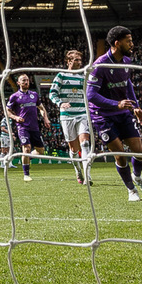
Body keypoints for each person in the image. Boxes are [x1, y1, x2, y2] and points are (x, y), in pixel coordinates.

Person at [88, 26, 142, 202]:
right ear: (117, 43)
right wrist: (116, 104)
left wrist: (135, 107)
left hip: (122, 112)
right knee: (120, 154)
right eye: (128, 41)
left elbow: (128, 84)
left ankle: (137, 177)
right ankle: (131, 189)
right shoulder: (100, 65)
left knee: (140, 152)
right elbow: (91, 95)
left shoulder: (126, 61)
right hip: (103, 115)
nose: (132, 44)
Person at [49, 49, 92, 184]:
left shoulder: (83, 76)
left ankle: (87, 175)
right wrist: (60, 103)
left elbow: (89, 93)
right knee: (74, 149)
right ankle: (78, 170)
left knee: (85, 143)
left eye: (80, 60)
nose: (79, 63)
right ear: (68, 61)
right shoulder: (61, 75)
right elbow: (52, 93)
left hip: (82, 113)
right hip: (67, 116)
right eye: (76, 60)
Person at [6, 73, 49, 181]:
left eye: (27, 80)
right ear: (18, 83)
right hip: (22, 127)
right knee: (26, 148)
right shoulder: (14, 96)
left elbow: (41, 108)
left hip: (34, 127)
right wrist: (15, 117)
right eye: (23, 80)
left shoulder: (34, 95)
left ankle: (26, 157)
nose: (26, 82)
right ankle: (26, 174)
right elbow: (7, 111)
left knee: (40, 151)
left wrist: (45, 118)